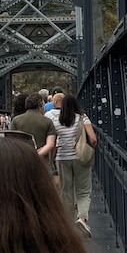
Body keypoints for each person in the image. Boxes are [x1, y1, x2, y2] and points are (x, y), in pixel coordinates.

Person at [45, 95, 98, 236]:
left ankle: (67, 224)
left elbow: (54, 143)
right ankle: (81, 219)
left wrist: (52, 159)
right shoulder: (82, 118)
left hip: (62, 158)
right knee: (84, 191)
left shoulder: (56, 120)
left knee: (66, 191)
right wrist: (90, 149)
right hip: (80, 157)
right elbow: (92, 138)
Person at [11, 94, 56, 172]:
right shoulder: (47, 121)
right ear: (41, 105)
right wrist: (37, 154)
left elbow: (11, 141)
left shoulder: (16, 120)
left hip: (21, 160)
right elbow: (50, 144)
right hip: (41, 162)